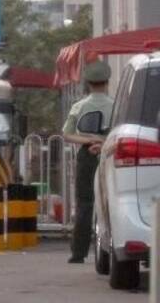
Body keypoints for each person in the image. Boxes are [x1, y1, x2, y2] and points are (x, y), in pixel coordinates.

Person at [62, 60, 114, 264]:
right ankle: (110, 249)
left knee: (85, 203)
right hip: (109, 154)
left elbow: (67, 134)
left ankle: (78, 253)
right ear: (107, 82)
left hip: (86, 156)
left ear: (88, 83)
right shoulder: (116, 104)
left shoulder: (79, 106)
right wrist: (102, 143)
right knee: (110, 201)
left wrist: (88, 141)